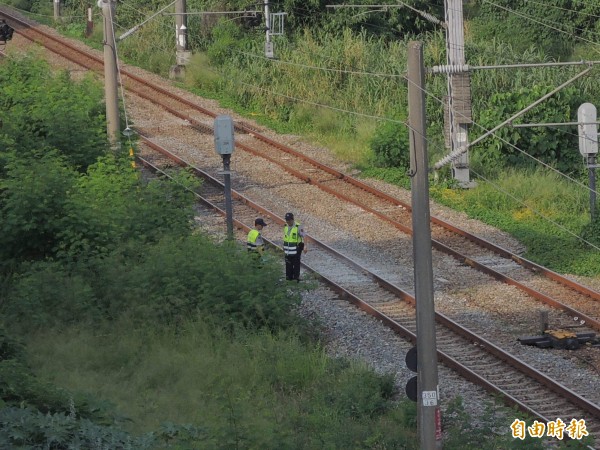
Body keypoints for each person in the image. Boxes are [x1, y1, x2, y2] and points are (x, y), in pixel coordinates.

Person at [283, 212, 307, 282]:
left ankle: (296, 277)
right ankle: (289, 278)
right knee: (288, 264)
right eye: (287, 220)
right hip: (287, 249)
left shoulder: (298, 227)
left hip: (296, 249)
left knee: (296, 264)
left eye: (289, 220)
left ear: (292, 219)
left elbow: (304, 236)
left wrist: (305, 246)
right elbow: (285, 237)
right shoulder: (285, 226)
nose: (288, 221)